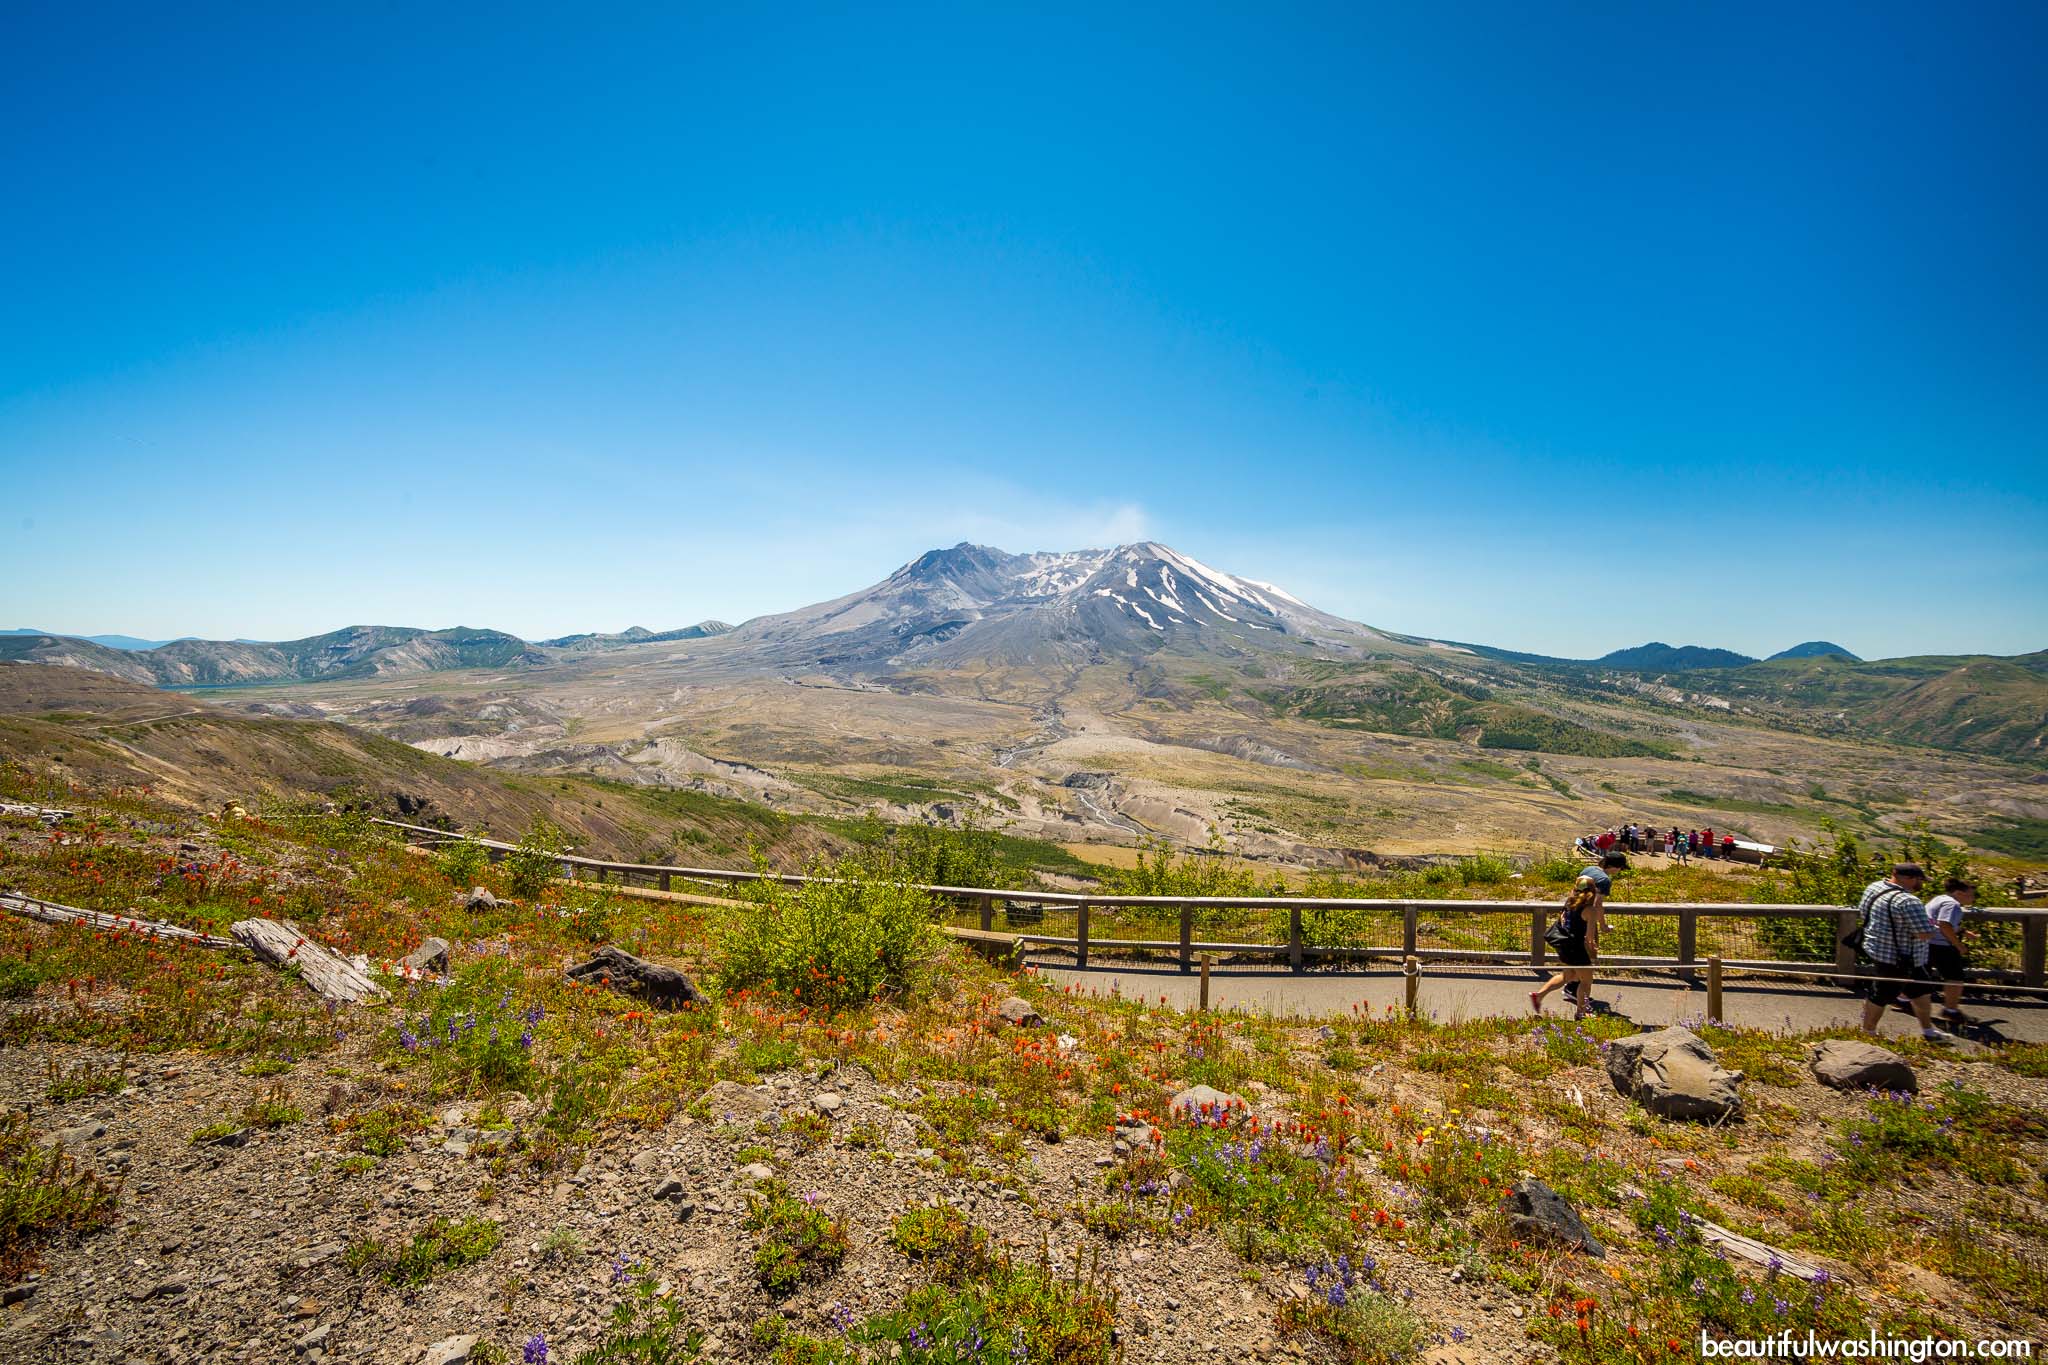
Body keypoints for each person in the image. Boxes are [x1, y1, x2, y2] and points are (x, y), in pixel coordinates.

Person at [1855, 863, 1944, 1039]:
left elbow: (1864, 914)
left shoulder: (1874, 887)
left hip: (1878, 948)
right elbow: (1924, 933)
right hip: (1901, 957)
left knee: (1920, 991)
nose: (1921, 884)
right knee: (1879, 995)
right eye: (1920, 880)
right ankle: (1867, 1033)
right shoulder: (1909, 901)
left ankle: (1928, 1031)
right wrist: (1936, 927)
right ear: (1910, 879)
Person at [1534, 853, 1623, 1018]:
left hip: (1564, 942)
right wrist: (1593, 945)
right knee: (1586, 981)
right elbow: (1589, 936)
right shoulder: (1590, 909)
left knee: (1568, 975)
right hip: (1576, 946)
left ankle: (1539, 995)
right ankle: (1581, 1013)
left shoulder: (1570, 903)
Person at [1923, 878, 1976, 1025]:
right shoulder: (1953, 905)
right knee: (1955, 978)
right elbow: (1944, 924)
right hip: (1941, 945)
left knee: (1921, 974)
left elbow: (1937, 921)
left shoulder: (1939, 899)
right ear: (1959, 893)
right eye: (1970, 895)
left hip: (1926, 942)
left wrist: (1963, 931)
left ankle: (1904, 1000)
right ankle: (1950, 1010)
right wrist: (1959, 945)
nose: (1973, 898)